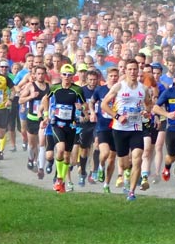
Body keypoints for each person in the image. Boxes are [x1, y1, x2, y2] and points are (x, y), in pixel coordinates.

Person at [101, 59, 153, 201]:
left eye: (135, 69)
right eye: (129, 69)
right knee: (124, 164)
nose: (132, 72)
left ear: (138, 71)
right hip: (120, 129)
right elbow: (104, 105)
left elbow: (149, 104)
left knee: (137, 158)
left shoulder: (143, 89)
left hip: (136, 128)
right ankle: (127, 173)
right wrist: (117, 116)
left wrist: (146, 112)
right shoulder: (119, 87)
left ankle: (131, 192)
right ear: (125, 71)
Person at [40, 64, 86, 193]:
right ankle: (59, 179)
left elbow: (85, 105)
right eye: (64, 74)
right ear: (61, 75)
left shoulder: (77, 90)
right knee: (59, 149)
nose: (67, 77)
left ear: (73, 76)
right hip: (57, 124)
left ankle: (61, 180)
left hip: (71, 126)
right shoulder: (55, 88)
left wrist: (81, 108)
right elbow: (45, 99)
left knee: (67, 156)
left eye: (69, 75)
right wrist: (46, 115)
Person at [90, 66, 119, 193]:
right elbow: (91, 102)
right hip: (102, 126)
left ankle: (106, 184)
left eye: (115, 76)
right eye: (111, 76)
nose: (113, 78)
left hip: (117, 127)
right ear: (107, 77)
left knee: (112, 158)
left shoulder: (122, 90)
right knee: (105, 153)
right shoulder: (100, 90)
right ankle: (101, 166)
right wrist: (92, 112)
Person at [17, 64, 49, 177]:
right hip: (31, 119)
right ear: (34, 75)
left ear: (45, 75)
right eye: (38, 74)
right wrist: (31, 96)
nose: (40, 76)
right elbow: (20, 100)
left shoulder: (49, 88)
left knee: (42, 143)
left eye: (42, 74)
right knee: (32, 145)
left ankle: (41, 168)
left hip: (43, 121)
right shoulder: (31, 86)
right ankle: (30, 159)